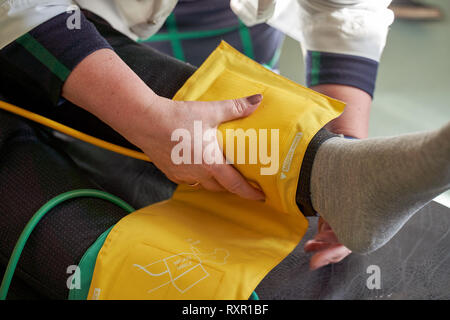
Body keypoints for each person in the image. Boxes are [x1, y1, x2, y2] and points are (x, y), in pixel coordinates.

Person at [0, 0, 406, 298]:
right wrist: (142, 114)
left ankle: (326, 166)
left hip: (219, 56)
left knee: (246, 138)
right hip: (53, 35)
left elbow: (346, 10)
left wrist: (345, 144)